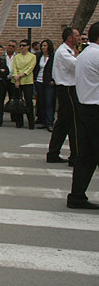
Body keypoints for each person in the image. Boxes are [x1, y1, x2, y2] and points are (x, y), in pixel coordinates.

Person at [67, 22, 99, 209]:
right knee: (87, 155)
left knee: (86, 156)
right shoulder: (96, 54)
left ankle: (77, 196)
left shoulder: (85, 54)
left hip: (85, 107)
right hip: (95, 108)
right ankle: (77, 196)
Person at [47, 27, 81, 164]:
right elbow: (77, 65)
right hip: (66, 88)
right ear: (69, 38)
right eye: (77, 36)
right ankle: (75, 156)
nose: (79, 38)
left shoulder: (71, 51)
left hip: (70, 88)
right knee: (73, 122)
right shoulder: (63, 51)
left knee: (63, 123)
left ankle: (53, 153)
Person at [12, 39, 37, 129]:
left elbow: (30, 68)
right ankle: (19, 122)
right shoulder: (16, 57)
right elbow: (14, 67)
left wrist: (20, 75)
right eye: (20, 45)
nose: (22, 47)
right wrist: (16, 79)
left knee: (28, 101)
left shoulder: (32, 57)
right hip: (17, 81)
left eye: (23, 45)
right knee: (18, 101)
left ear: (28, 46)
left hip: (27, 81)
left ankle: (31, 122)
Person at [34, 39, 55, 132]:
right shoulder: (38, 56)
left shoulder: (53, 57)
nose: (43, 47)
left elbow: (56, 69)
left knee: (49, 102)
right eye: (42, 45)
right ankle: (42, 120)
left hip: (48, 82)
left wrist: (53, 80)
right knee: (41, 102)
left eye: (45, 46)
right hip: (39, 81)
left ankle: (49, 122)